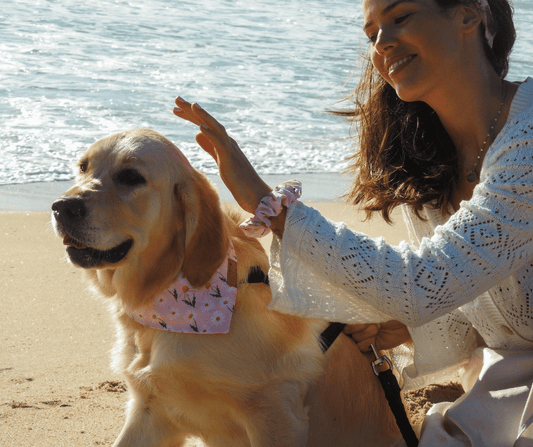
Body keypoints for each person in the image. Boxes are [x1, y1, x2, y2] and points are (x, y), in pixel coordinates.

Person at [173, 0, 533, 445]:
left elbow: (424, 281)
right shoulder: (434, 164)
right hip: (509, 386)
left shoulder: (528, 138)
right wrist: (401, 327)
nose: (382, 43)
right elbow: (475, 298)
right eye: (371, 33)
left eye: (400, 17)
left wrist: (270, 205)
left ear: (468, 14)